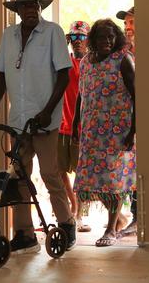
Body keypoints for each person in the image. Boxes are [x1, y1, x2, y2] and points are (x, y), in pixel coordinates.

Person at [0, 0, 76, 253]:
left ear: (40, 7)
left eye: (34, 4)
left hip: (45, 120)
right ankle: (25, 232)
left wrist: (46, 111)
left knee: (50, 174)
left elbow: (64, 75)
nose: (30, 9)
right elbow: (3, 76)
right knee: (19, 177)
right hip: (18, 120)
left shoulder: (52, 32)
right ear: (17, 10)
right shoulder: (9, 36)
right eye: (24, 5)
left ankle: (66, 224)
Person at [73, 19, 136, 247]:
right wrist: (74, 123)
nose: (106, 41)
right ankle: (118, 218)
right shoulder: (87, 62)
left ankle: (110, 229)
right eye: (101, 37)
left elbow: (137, 96)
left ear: (116, 38)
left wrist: (133, 132)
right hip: (92, 132)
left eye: (110, 37)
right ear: (93, 40)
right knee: (91, 179)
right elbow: (81, 94)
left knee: (113, 181)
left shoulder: (123, 60)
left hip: (117, 133)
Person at [57, 20, 92, 233]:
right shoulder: (64, 62)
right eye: (74, 38)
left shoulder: (91, 64)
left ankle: (80, 213)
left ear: (88, 40)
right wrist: (63, 43)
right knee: (59, 170)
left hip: (83, 128)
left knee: (82, 172)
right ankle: (72, 204)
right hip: (63, 125)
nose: (78, 42)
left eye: (81, 37)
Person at [115, 6, 138, 236]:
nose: (128, 28)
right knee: (129, 170)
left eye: (132, 23)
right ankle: (130, 217)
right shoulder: (123, 55)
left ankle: (139, 217)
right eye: (127, 24)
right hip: (127, 119)